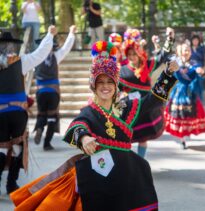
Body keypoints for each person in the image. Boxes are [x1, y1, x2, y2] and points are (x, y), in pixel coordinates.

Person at [10, 40, 179, 210]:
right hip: (98, 172)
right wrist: (84, 139)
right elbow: (78, 126)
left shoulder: (127, 107)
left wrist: (167, 74)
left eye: (109, 82)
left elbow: (153, 100)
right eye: (101, 82)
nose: (105, 87)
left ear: (116, 85)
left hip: (125, 172)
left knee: (141, 175)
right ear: (93, 86)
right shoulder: (90, 111)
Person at [0, 25, 57, 195]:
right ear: (12, 46)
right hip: (18, 113)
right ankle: (11, 184)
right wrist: (49, 35)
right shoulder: (21, 61)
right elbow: (40, 53)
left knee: (1, 148)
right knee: (18, 148)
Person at [118, 27, 175, 158]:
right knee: (127, 136)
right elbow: (117, 90)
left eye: (134, 54)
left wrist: (170, 39)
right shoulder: (122, 70)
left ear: (139, 53)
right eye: (129, 54)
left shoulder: (147, 65)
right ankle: (129, 163)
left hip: (147, 106)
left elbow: (162, 56)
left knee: (143, 137)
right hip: (130, 108)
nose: (132, 57)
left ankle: (141, 161)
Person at [33, 25, 76, 151]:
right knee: (52, 116)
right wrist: (71, 33)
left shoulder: (36, 58)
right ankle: (47, 143)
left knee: (41, 114)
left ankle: (40, 127)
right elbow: (67, 47)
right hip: (53, 92)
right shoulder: (56, 56)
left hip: (40, 91)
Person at [164, 41, 205, 149]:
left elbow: (198, 76)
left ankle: (184, 136)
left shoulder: (194, 63)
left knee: (189, 116)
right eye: (185, 50)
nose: (187, 52)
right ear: (180, 52)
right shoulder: (176, 64)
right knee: (179, 115)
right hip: (179, 93)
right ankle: (182, 139)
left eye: (188, 50)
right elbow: (182, 79)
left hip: (191, 93)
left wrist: (201, 73)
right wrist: (178, 71)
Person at [190, 34, 205, 101]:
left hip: (199, 69)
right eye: (194, 40)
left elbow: (203, 59)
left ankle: (200, 101)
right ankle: (192, 100)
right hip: (191, 69)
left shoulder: (201, 49)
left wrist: (203, 68)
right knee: (192, 85)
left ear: (199, 41)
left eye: (197, 40)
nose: (195, 41)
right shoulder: (189, 49)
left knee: (200, 85)